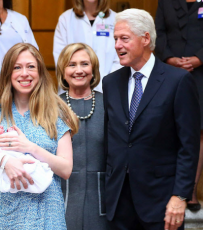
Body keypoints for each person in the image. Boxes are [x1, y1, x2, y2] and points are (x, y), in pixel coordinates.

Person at [0, 43, 79, 229]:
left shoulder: (57, 114)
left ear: (40, 72)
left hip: (45, 216)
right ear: (8, 73)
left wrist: (30, 147)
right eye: (17, 67)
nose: (25, 73)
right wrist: (4, 161)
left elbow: (65, 169)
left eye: (31, 66)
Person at [103, 8, 200, 230]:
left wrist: (180, 196)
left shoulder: (178, 81)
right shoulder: (110, 83)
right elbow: (110, 141)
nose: (117, 45)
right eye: (115, 39)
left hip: (162, 203)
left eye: (124, 38)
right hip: (118, 202)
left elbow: (189, 146)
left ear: (146, 38)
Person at [155, 0, 203, 211]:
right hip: (169, 71)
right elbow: (158, 32)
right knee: (167, 126)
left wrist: (198, 59)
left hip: (201, 73)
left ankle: (190, 191)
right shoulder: (165, 1)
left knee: (198, 130)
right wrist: (170, 59)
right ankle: (168, 189)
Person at [56, 43, 108, 230]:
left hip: (102, 200)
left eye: (85, 64)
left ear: (93, 70)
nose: (79, 70)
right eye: (72, 64)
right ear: (62, 71)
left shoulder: (109, 104)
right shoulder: (51, 106)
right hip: (61, 198)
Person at [53, 0, 121, 93]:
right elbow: (60, 59)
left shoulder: (115, 19)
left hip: (108, 89)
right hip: (72, 89)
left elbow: (119, 58)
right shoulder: (66, 19)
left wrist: (107, 83)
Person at [0, 119, 54, 193]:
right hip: (11, 165)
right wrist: (12, 133)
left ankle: (40, 181)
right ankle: (39, 182)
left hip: (15, 162)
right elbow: (11, 143)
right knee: (28, 173)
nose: (1, 126)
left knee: (29, 174)